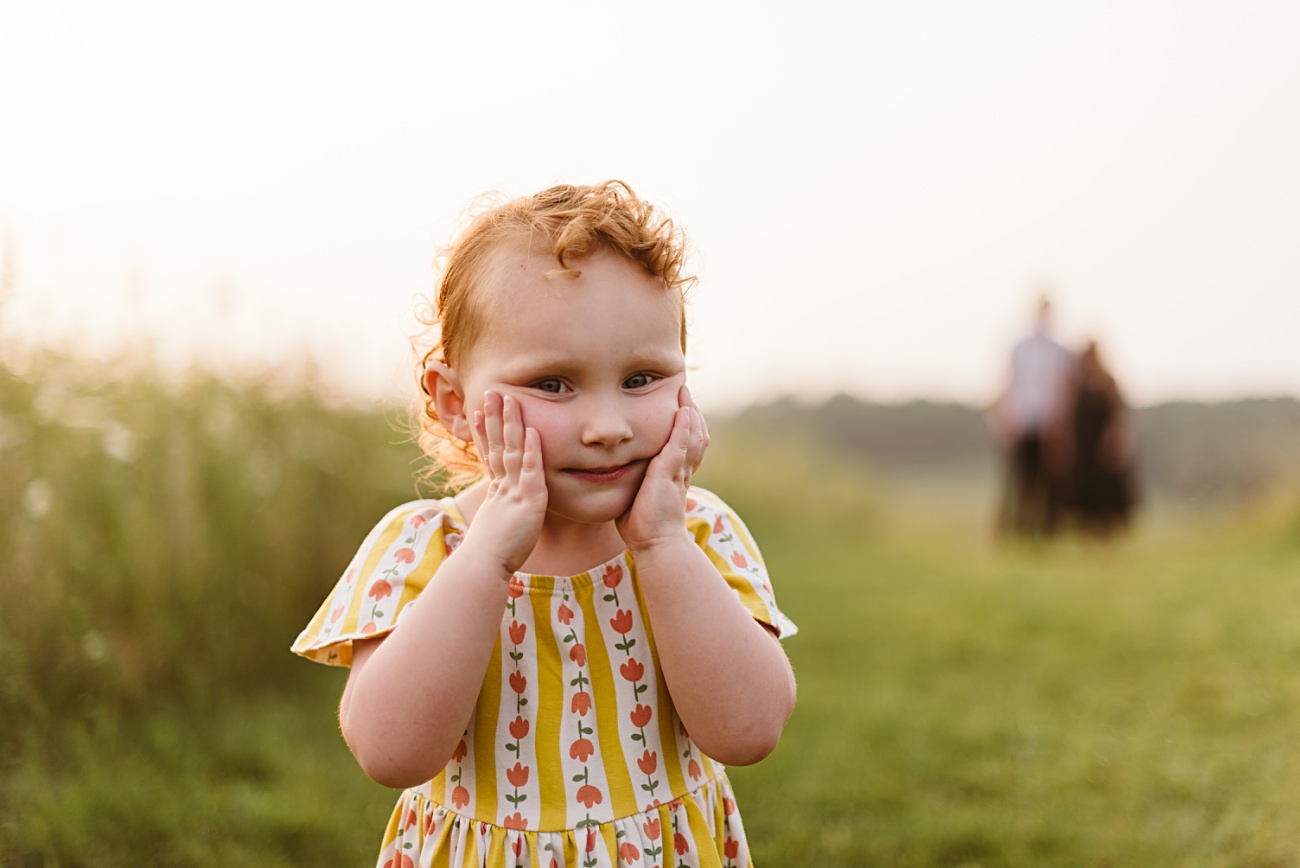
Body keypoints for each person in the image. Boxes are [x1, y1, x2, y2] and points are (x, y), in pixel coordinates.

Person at [291, 181, 798, 868]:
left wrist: (662, 546)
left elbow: (748, 731)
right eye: (553, 384)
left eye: (643, 378)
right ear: (453, 401)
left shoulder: (697, 535)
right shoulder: (427, 548)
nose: (607, 427)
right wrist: (487, 560)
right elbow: (390, 752)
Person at [989, 295, 1075, 538]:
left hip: (1050, 424)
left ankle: (1046, 531)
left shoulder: (1060, 351)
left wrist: (1061, 426)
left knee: (1049, 481)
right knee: (1020, 480)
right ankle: (1017, 529)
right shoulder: (1020, 347)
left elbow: (1064, 390)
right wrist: (1004, 419)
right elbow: (1008, 383)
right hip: (1022, 422)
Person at [1055, 340, 1137, 537]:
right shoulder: (1074, 384)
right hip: (1083, 447)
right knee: (1083, 492)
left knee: (1106, 493)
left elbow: (1119, 416)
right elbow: (1065, 416)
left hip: (1103, 447)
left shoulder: (1109, 383)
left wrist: (1116, 441)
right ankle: (1085, 536)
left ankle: (1106, 536)